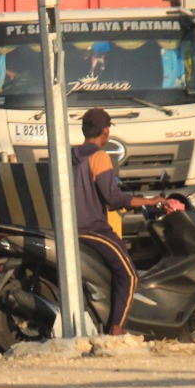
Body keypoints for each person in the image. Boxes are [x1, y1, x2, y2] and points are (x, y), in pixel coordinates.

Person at [73, 108, 167, 336]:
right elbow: (112, 197)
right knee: (129, 275)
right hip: (93, 230)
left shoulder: (70, 154)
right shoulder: (100, 156)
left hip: (71, 230)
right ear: (105, 131)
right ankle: (117, 329)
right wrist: (149, 200)